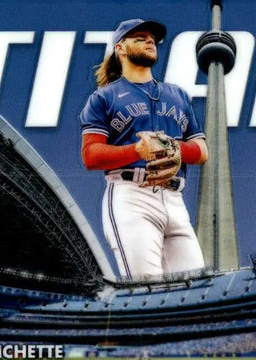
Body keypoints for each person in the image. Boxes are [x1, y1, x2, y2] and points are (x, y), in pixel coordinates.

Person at [79, 19, 207, 279]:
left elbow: (202, 151)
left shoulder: (178, 95)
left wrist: (172, 147)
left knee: (195, 291)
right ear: (120, 49)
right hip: (132, 197)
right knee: (146, 290)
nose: (149, 40)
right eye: (139, 37)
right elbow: (91, 155)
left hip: (175, 200)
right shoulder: (104, 97)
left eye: (151, 38)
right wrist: (137, 150)